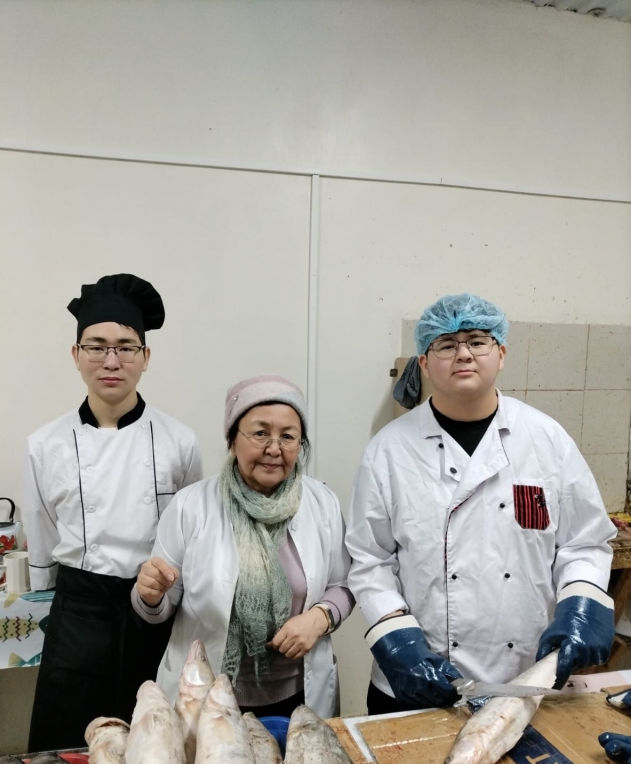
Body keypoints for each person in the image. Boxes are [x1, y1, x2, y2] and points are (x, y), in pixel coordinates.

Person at [347, 293, 617, 715]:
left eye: (477, 341)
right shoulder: (388, 450)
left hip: (525, 676)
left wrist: (582, 606)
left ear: (501, 353)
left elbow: (584, 543)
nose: (463, 354)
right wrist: (395, 639)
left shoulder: (546, 439)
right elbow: (369, 559)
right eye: (446, 344)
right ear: (424, 363)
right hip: (418, 678)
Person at [25, 273, 203, 750]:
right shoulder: (44, 444)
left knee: (156, 749)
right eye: (97, 347)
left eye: (125, 347)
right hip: (78, 612)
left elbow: (190, 534)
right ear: (75, 354)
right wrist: (44, 582)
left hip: (153, 609)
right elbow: (42, 530)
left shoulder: (180, 441)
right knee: (69, 749)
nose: (111, 361)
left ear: (146, 357)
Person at [133, 375, 354, 718]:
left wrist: (319, 617)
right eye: (260, 433)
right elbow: (158, 608)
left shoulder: (321, 503)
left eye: (288, 436)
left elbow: (344, 584)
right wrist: (150, 594)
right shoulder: (191, 506)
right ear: (233, 439)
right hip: (207, 697)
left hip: (299, 696)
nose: (274, 448)